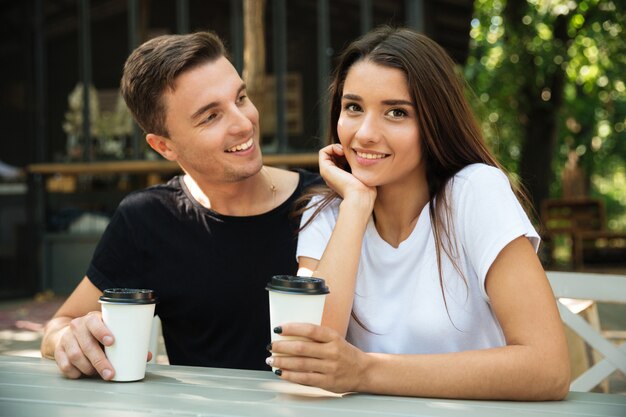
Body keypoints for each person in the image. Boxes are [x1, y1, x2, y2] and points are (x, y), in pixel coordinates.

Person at [265, 27, 570, 401]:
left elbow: (548, 368)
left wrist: (365, 371)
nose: (365, 133)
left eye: (396, 112)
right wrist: (357, 205)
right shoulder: (329, 211)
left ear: (434, 123)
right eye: (353, 107)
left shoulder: (474, 192)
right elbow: (311, 357)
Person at [40, 31, 321, 380]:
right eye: (210, 116)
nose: (243, 122)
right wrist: (70, 339)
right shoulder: (147, 219)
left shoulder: (326, 202)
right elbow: (60, 326)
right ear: (164, 147)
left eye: (242, 98)